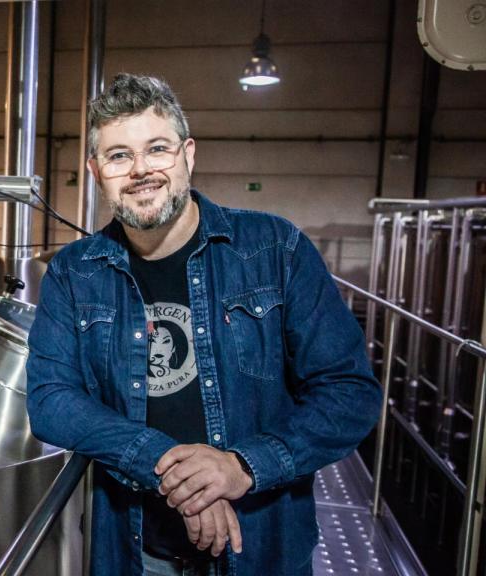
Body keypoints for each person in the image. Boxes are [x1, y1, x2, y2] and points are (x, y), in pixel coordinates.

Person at [25, 73, 382, 576]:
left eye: (157, 149)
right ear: (96, 171)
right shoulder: (74, 273)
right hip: (138, 553)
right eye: (119, 155)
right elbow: (51, 401)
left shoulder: (274, 250)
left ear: (188, 155)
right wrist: (169, 466)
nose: (141, 170)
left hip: (262, 548)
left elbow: (349, 392)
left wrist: (242, 466)